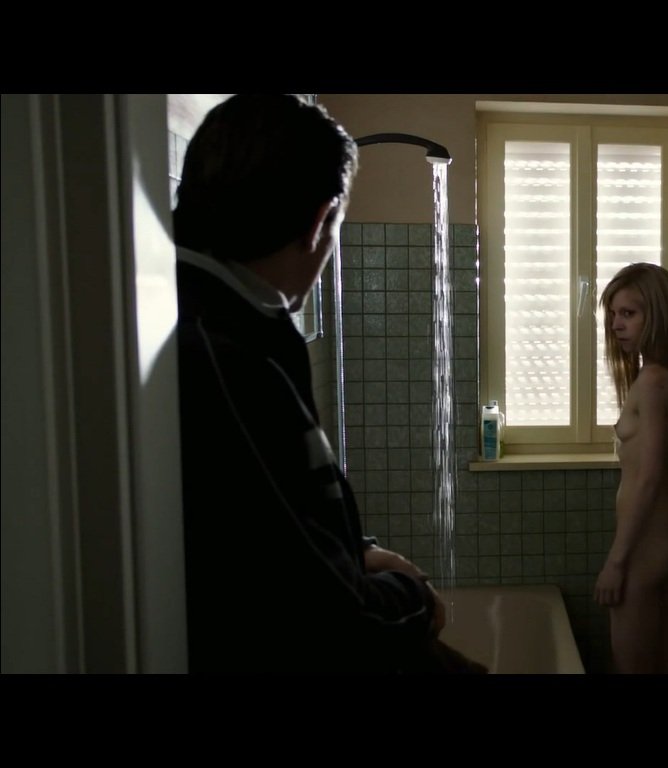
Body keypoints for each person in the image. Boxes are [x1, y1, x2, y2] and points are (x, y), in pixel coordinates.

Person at [174, 94, 481, 673]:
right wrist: (416, 598)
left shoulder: (215, 325)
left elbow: (261, 529)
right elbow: (332, 619)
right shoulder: (227, 360)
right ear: (320, 222)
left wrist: (356, 554)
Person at [593, 263, 668, 673]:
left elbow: (650, 477)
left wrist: (616, 562)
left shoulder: (654, 382)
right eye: (613, 314)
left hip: (644, 553)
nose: (616, 325)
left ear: (658, 316)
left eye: (629, 313)